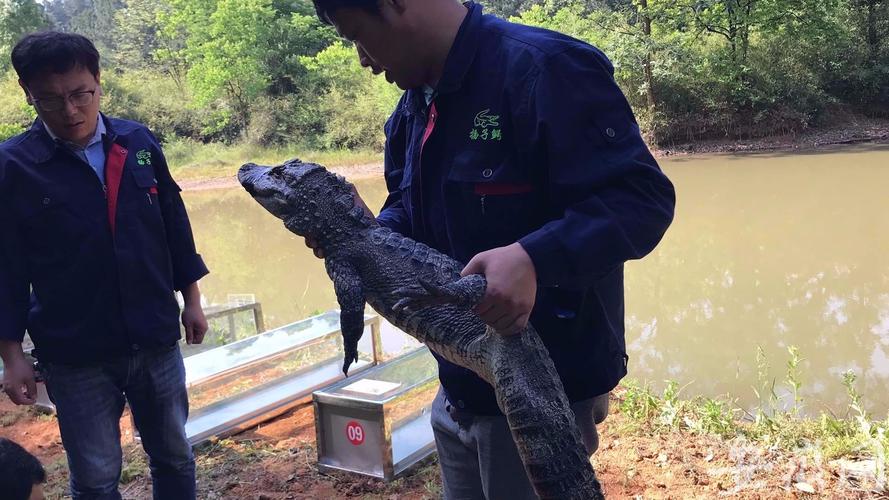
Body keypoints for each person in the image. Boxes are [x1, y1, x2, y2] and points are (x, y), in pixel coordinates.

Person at [310, 1, 676, 498]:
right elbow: (406, 206)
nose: (363, 60)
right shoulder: (412, 109)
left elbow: (641, 200)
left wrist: (533, 256)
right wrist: (368, 234)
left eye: (357, 35)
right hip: (458, 384)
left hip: (541, 390)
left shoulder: (546, 70)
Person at [0, 31, 209, 500]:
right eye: (50, 101)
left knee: (174, 456)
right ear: (26, 93)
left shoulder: (135, 142)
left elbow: (173, 223)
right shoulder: (13, 166)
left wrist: (191, 298)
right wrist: (12, 356)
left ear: (98, 80)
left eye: (81, 94)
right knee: (95, 477)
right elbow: (6, 266)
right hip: (76, 353)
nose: (71, 112)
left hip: (154, 335)